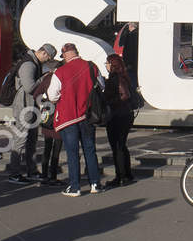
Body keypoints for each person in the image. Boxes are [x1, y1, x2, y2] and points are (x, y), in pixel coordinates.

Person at [47, 43, 104, 197]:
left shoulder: (60, 71)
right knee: (90, 150)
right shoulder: (92, 67)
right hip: (87, 115)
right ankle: (95, 184)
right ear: (77, 52)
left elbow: (52, 96)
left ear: (65, 55)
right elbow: (101, 85)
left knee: (72, 153)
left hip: (68, 117)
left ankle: (75, 187)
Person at [7, 43, 55, 184]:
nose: (48, 61)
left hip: (30, 107)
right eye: (49, 58)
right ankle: (14, 173)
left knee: (32, 141)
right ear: (44, 53)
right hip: (24, 107)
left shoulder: (33, 63)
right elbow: (29, 88)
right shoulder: (29, 65)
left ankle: (32, 171)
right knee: (20, 140)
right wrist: (44, 78)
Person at [102, 52, 137, 189]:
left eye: (107, 63)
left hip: (118, 115)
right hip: (125, 115)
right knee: (122, 145)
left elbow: (124, 96)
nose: (106, 65)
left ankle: (121, 176)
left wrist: (109, 100)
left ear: (113, 65)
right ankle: (127, 174)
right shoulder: (123, 76)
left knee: (117, 146)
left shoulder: (116, 78)